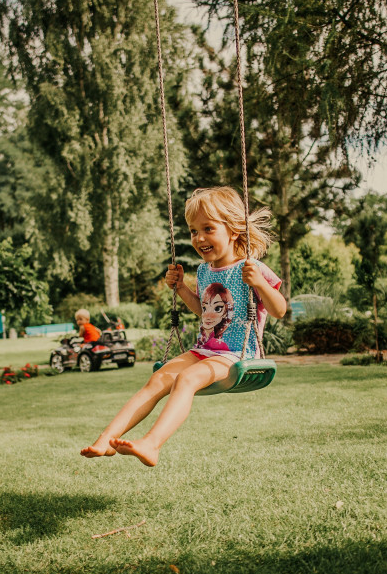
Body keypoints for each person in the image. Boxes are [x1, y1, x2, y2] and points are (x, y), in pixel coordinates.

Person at [80, 186, 287, 466]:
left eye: (208, 229)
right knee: (158, 380)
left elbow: (279, 309)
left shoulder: (251, 268)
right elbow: (204, 312)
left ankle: (152, 444)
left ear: (234, 230)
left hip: (237, 355)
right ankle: (106, 440)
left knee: (185, 379)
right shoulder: (203, 271)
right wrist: (181, 288)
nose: (199, 237)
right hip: (203, 350)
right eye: (193, 231)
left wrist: (260, 283)